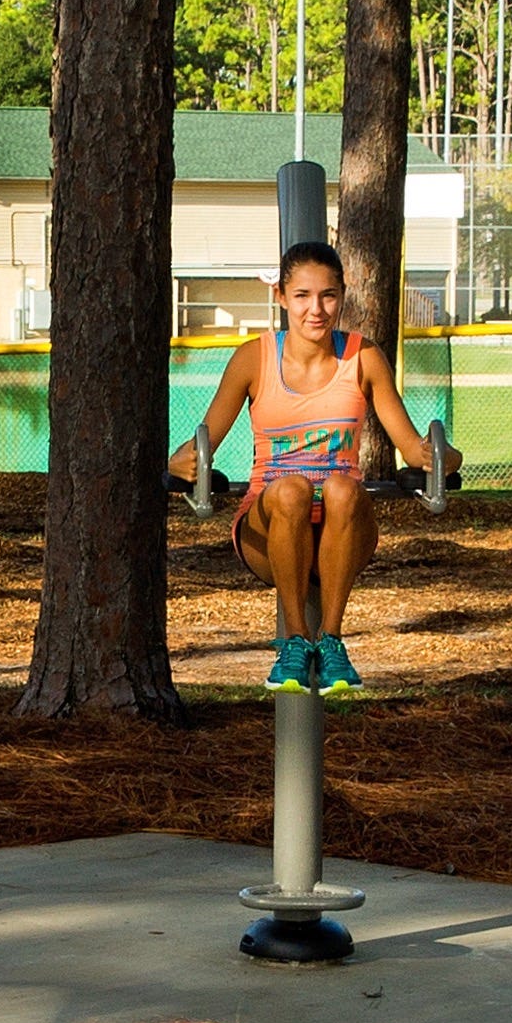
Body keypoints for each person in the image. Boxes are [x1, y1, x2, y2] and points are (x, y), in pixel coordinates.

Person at [175, 245, 453, 694]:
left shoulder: (363, 358)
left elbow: (413, 448)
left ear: (342, 296)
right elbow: (204, 440)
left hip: (341, 523)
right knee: (292, 490)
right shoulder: (254, 358)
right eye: (302, 295)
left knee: (342, 486)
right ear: (282, 297)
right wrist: (179, 462)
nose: (316, 309)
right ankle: (294, 641)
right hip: (270, 522)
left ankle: (332, 640)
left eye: (328, 295)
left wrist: (444, 456)